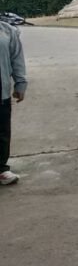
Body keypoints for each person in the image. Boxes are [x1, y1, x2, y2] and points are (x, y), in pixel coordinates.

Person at [1, 21, 27, 185]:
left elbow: (16, 58)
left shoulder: (6, 30)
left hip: (1, 92)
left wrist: (20, 83)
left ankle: (1, 169)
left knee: (2, 132)